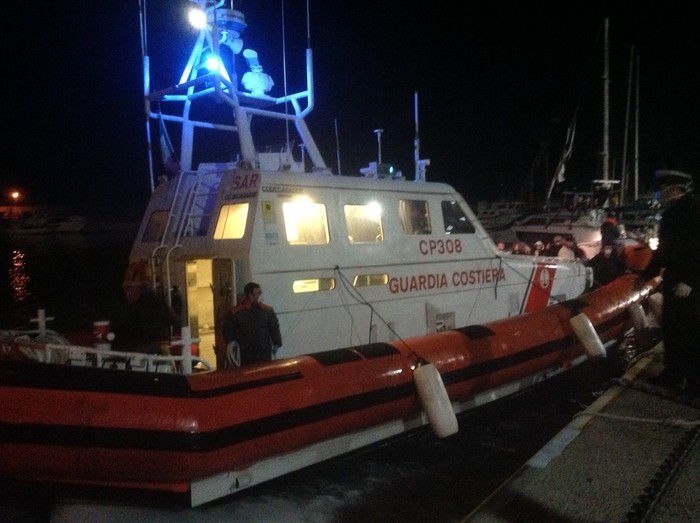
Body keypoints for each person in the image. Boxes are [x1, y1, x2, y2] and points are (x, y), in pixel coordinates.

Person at [634, 178, 700, 393]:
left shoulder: (694, 211)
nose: (663, 193)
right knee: (672, 330)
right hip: (674, 277)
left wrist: (690, 281)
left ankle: (692, 381)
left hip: (688, 281)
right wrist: (647, 274)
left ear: (677, 188)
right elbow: (664, 251)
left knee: (689, 331)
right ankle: (673, 374)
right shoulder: (671, 214)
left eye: (666, 189)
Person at [222, 282, 282, 366]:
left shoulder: (267, 310)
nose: (260, 295)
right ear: (250, 295)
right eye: (258, 293)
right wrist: (232, 344)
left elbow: (274, 327)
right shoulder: (236, 313)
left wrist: (277, 342)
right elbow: (227, 330)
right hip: (246, 354)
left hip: (263, 352)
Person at [112, 281, 181, 354]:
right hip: (162, 344)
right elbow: (176, 320)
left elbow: (128, 327)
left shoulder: (136, 306)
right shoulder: (161, 303)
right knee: (167, 362)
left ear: (137, 290)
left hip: (143, 345)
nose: (127, 294)